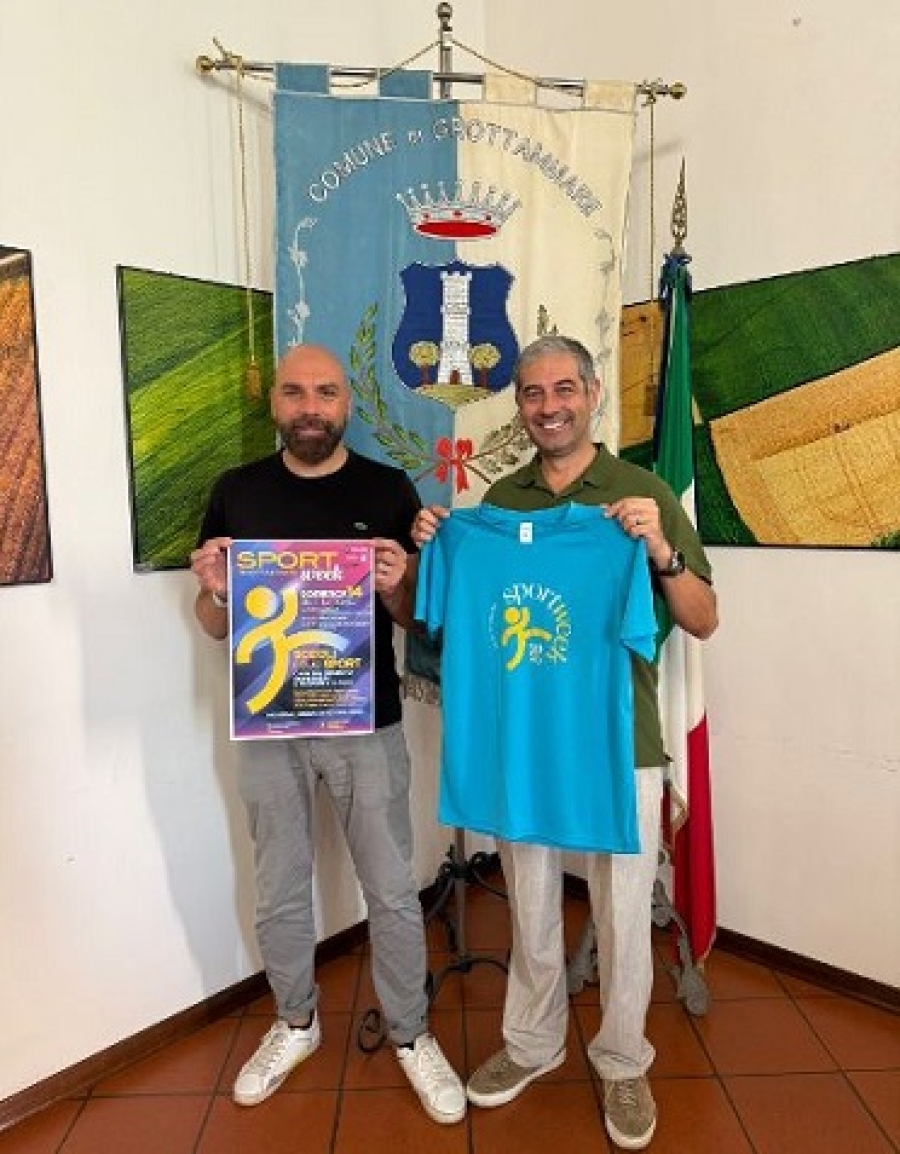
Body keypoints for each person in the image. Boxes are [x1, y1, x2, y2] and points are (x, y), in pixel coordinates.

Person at [410, 334, 718, 1151]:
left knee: (622, 912)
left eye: (563, 390)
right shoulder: (498, 502)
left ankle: (622, 1059)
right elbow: (437, 620)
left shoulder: (640, 494)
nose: (549, 407)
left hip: (622, 742)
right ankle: (533, 1043)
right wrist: (432, 545)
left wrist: (659, 550)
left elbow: (703, 618)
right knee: (532, 902)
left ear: (592, 394)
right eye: (533, 393)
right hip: (522, 744)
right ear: (519, 404)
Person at [189, 343, 465, 1125]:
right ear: (275, 402)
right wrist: (217, 591)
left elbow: (412, 617)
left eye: (326, 393)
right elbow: (214, 624)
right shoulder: (235, 492)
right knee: (279, 886)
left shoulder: (386, 488)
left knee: (391, 890)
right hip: (269, 725)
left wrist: (399, 584)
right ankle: (295, 1022)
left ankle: (411, 1033)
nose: (310, 408)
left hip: (365, 724)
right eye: (295, 393)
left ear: (346, 404)